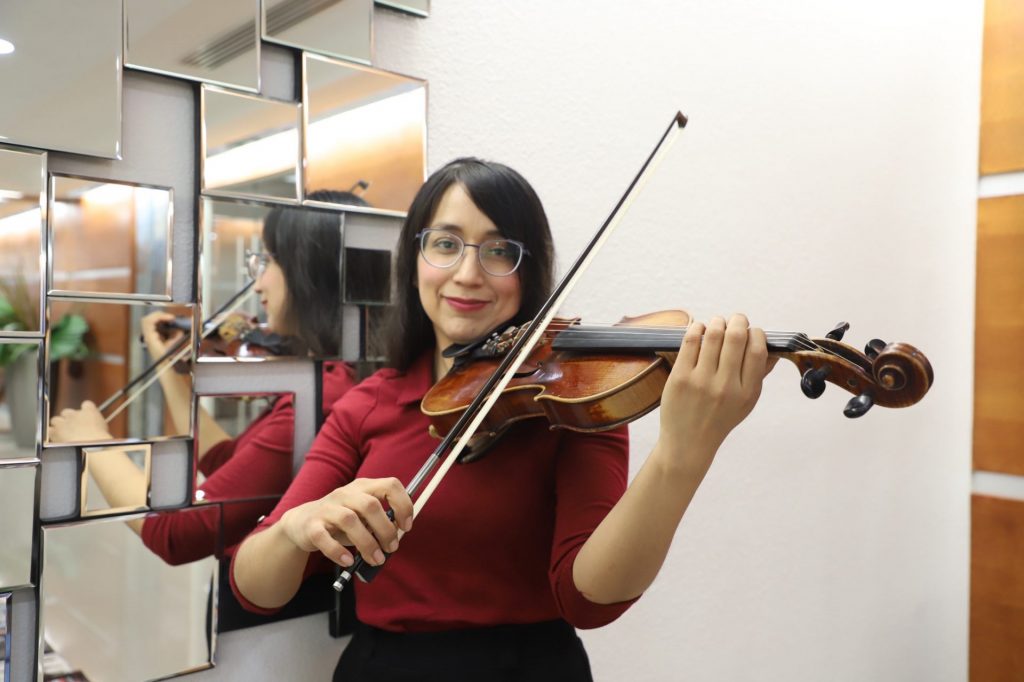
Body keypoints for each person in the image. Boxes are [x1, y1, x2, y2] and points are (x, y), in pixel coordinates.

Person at [230, 158, 775, 681]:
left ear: (528, 271)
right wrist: (297, 528)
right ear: (414, 261)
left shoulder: (570, 398)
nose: (468, 274)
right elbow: (256, 588)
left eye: (499, 251)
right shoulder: (367, 403)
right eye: (446, 244)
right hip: (382, 667)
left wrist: (682, 455)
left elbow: (589, 599)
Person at [48, 194, 358, 566]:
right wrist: (169, 368)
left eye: (269, 261)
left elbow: (175, 533)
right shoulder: (328, 380)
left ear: (309, 271)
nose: (257, 284)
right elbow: (226, 464)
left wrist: (95, 443)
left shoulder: (318, 398)